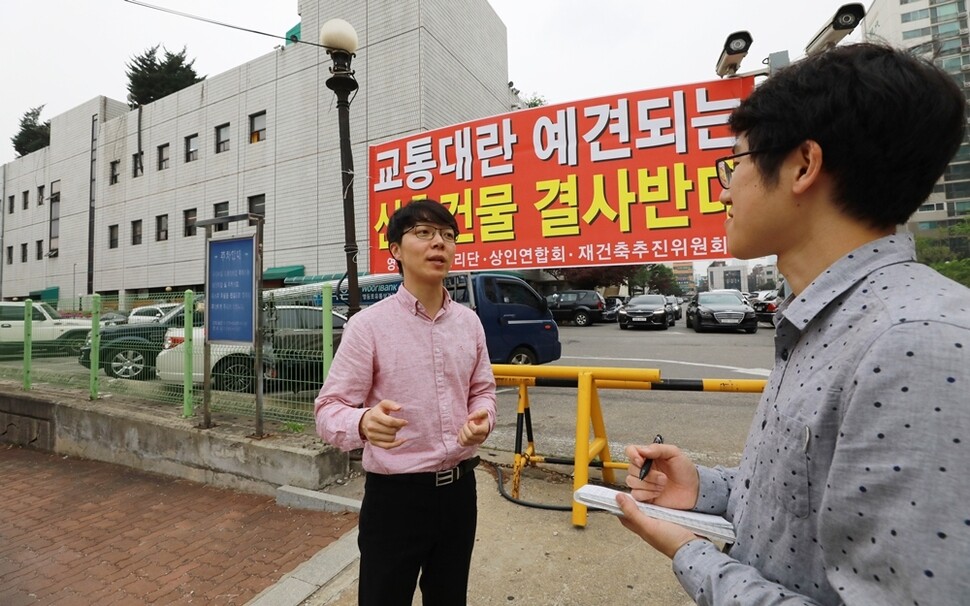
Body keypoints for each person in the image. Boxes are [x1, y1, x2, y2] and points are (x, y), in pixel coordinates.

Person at [616, 43, 970, 605]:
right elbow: (809, 505)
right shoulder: (819, 320)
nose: (723, 188)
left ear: (803, 165)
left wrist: (690, 552)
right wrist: (701, 487)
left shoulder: (919, 343)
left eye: (735, 164)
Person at [315, 199, 496, 606]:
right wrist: (362, 423)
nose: (440, 244)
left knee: (450, 599)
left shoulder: (469, 322)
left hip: (459, 493)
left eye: (448, 236)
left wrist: (482, 419)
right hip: (395, 499)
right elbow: (329, 409)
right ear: (395, 249)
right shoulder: (369, 326)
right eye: (424, 233)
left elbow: (483, 390)